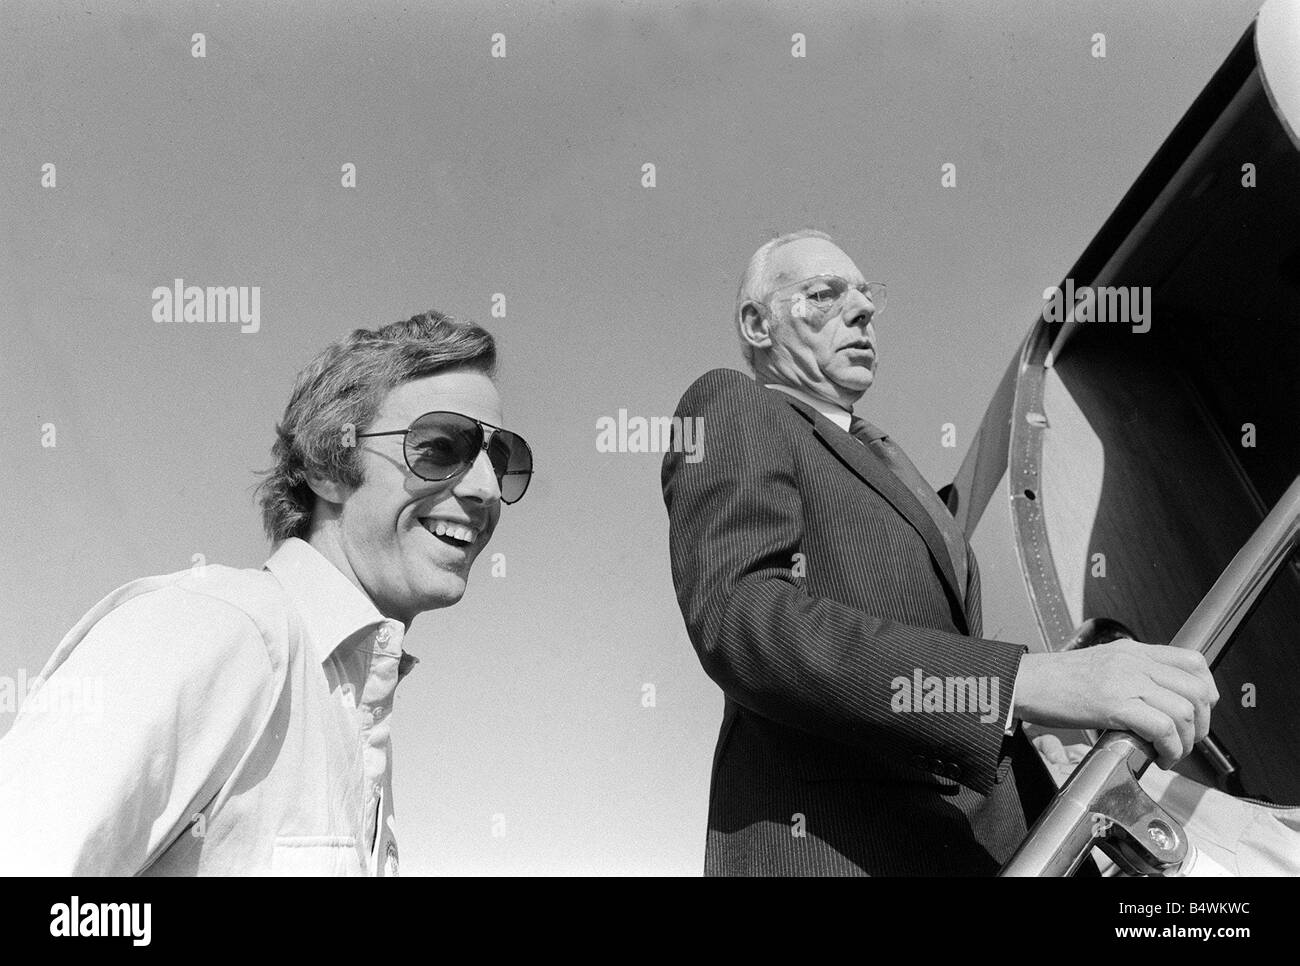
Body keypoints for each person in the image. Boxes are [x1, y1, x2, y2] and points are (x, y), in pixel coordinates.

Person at [660, 230, 1217, 875]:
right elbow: (744, 617)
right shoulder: (732, 403)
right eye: (823, 295)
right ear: (758, 325)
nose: (863, 310)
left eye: (867, 296)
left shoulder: (886, 463)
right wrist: (1019, 685)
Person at [0, 310, 533, 876]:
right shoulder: (216, 628)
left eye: (499, 461)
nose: (484, 489)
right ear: (328, 466)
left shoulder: (348, 699)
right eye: (440, 447)